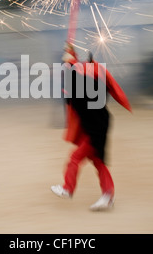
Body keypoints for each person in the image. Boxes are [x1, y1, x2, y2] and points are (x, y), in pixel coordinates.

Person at [51, 43, 132, 211]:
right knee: (98, 161)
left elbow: (74, 82)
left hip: (95, 129)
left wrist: (69, 60)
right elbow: (73, 84)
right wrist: (70, 56)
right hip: (98, 125)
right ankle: (108, 195)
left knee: (75, 158)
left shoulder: (88, 84)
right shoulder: (94, 81)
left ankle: (67, 188)